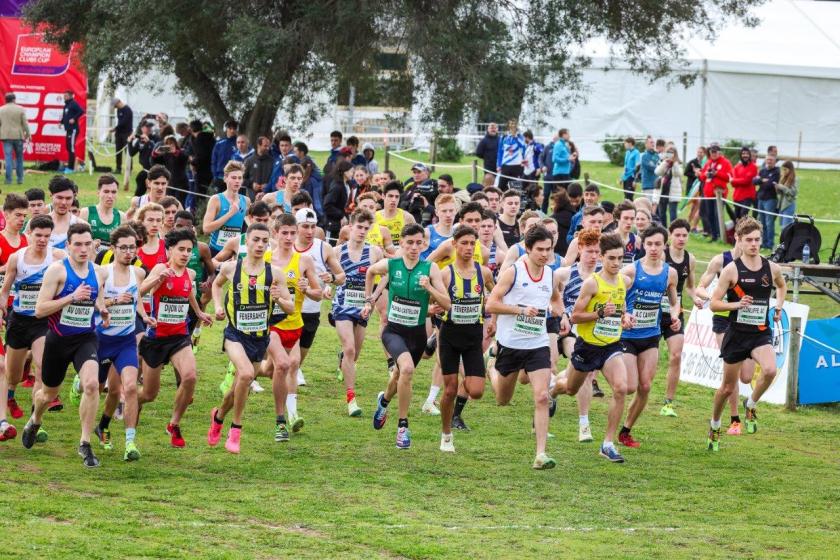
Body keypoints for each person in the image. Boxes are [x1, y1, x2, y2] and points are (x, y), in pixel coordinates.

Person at [22, 223, 108, 467]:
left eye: (87, 244)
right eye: (77, 244)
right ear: (68, 246)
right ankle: (35, 419)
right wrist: (71, 297)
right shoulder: (57, 271)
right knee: (47, 395)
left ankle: (85, 443)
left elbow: (98, 296)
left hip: (85, 338)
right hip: (58, 340)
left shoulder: (100, 272)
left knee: (92, 385)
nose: (83, 249)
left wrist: (102, 308)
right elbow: (39, 310)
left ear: (93, 245)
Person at [207, 223, 293, 454]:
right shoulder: (231, 268)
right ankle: (236, 429)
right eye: (255, 240)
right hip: (235, 335)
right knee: (245, 374)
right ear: (247, 241)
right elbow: (216, 285)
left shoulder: (274, 274)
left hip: (260, 339)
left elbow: (291, 307)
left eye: (264, 241)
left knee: (238, 386)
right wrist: (217, 306)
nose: (260, 245)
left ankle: (219, 416)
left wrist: (280, 299)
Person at [485, 225, 565, 469]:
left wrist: (561, 314)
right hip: (510, 344)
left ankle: (540, 454)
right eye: (539, 249)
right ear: (528, 249)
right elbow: (491, 304)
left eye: (548, 250)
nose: (544, 254)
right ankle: (491, 364)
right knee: (502, 399)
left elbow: (555, 298)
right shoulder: (513, 273)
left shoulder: (550, 274)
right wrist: (520, 310)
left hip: (537, 344)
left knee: (542, 396)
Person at [366, 223, 450, 450]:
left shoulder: (430, 268)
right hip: (393, 332)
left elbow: (447, 304)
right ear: (401, 244)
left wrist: (430, 290)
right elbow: (370, 271)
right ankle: (402, 426)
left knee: (398, 376)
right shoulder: (391, 265)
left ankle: (383, 402)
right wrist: (368, 300)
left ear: (424, 244)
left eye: (418, 243)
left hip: (417, 335)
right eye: (409, 243)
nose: (414, 247)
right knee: (407, 369)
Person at [707, 217, 787, 451]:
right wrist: (736, 305)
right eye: (749, 240)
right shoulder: (731, 270)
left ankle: (750, 403)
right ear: (739, 241)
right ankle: (714, 424)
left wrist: (779, 306)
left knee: (771, 370)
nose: (754, 244)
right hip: (737, 334)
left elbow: (781, 286)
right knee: (726, 388)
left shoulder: (771, 267)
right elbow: (714, 303)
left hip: (760, 333)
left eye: (757, 240)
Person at [553, 232, 632, 463]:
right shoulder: (592, 284)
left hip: (611, 345)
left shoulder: (622, 282)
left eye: (620, 258)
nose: (617, 263)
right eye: (612, 259)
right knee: (569, 388)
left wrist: (625, 316)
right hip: (587, 345)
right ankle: (552, 391)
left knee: (621, 388)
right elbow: (575, 317)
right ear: (602, 258)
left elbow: (621, 307)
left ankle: (608, 444)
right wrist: (598, 314)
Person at [135, 228, 214, 449]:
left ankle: (174, 424)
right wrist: (157, 279)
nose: (186, 254)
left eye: (189, 250)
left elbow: (189, 293)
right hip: (157, 338)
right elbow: (139, 291)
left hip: (179, 335)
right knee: (150, 394)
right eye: (181, 249)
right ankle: (132, 401)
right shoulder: (161, 268)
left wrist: (198, 313)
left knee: (189, 377)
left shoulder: (190, 273)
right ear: (170, 249)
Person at [0, 216, 66, 443]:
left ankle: (33, 421)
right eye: (38, 235)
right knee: (13, 375)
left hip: (43, 321)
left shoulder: (57, 257)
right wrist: (2, 307)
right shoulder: (17, 258)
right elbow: (6, 290)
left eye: (47, 236)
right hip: (19, 321)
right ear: (29, 234)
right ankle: (9, 395)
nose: (42, 240)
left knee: (41, 368)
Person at [615, 225, 680, 448]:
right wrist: (624, 313)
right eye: (650, 244)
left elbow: (673, 299)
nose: (653, 248)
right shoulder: (631, 271)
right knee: (630, 386)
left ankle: (626, 430)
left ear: (665, 245)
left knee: (645, 386)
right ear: (643, 244)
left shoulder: (670, 273)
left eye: (658, 244)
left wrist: (674, 315)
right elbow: (617, 295)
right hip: (628, 335)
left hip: (651, 335)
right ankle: (614, 422)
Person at [262, 213, 322, 441]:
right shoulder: (265, 258)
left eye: (292, 233)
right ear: (275, 234)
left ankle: (245, 372)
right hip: (271, 323)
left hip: (295, 322)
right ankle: (282, 420)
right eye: (284, 233)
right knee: (285, 364)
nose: (288, 237)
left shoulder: (303, 261)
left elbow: (318, 296)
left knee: (276, 367)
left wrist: (307, 289)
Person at [92, 225, 149, 460]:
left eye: (132, 247)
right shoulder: (102, 272)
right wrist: (113, 302)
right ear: (113, 248)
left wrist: (144, 316)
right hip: (101, 340)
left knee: (130, 387)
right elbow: (96, 302)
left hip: (125, 340)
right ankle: (101, 426)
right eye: (123, 247)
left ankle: (130, 442)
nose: (128, 252)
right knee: (102, 389)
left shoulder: (139, 273)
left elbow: (137, 301)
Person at [437, 226, 494, 452]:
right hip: (450, 335)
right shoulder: (446, 273)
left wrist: (494, 320)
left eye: (473, 243)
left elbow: (497, 294)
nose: (469, 248)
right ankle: (446, 434)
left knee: (477, 391)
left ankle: (481, 365)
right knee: (449, 390)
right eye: (464, 243)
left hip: (473, 337)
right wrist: (434, 306)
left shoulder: (484, 273)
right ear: (455, 245)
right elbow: (439, 301)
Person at [331, 209, 384, 416]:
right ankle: (351, 400)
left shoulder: (374, 252)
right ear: (350, 227)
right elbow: (330, 275)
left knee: (354, 355)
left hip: (363, 308)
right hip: (342, 305)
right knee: (351, 350)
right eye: (359, 227)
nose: (362, 231)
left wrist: (374, 296)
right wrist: (328, 286)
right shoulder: (338, 252)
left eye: (366, 228)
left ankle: (343, 358)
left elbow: (386, 273)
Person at [551, 228, 601, 442]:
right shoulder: (564, 273)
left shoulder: (603, 275)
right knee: (587, 372)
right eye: (589, 251)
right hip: (569, 331)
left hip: (594, 332)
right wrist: (562, 314)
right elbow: (551, 296)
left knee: (574, 381)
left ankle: (552, 389)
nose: (593, 256)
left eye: (597, 251)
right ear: (579, 249)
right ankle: (584, 425)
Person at [295, 208, 345, 387]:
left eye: (313, 227)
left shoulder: (324, 248)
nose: (310, 231)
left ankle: (295, 369)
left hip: (311, 308)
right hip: (288, 307)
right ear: (296, 226)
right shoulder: (286, 244)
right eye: (305, 227)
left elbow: (341, 276)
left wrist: (331, 278)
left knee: (301, 351)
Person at [658, 219, 697, 417]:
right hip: (653, 312)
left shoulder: (690, 259)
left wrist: (697, 298)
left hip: (675, 313)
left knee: (676, 355)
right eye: (677, 235)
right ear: (670, 236)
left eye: (684, 235)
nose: (681, 239)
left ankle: (668, 403)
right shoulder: (661, 255)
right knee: (648, 358)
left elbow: (690, 287)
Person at [203, 161, 249, 257]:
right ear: (225, 178)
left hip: (235, 252)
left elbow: (249, 225)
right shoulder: (216, 199)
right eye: (233, 177)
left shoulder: (246, 201)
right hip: (216, 250)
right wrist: (229, 214)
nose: (237, 181)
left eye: (240, 178)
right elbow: (206, 229)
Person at [80, 175, 125, 248]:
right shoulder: (86, 213)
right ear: (98, 193)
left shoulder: (121, 216)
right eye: (106, 191)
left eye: (113, 192)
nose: (110, 196)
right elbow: (77, 241)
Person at [698, 144, 732, 242]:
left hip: (719, 194)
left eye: (715, 152)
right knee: (710, 215)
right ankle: (713, 235)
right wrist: (703, 174)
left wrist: (717, 173)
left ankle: (720, 236)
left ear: (719, 152)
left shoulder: (725, 162)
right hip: (708, 194)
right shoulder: (708, 162)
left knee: (718, 216)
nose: (713, 154)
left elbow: (729, 177)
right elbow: (702, 177)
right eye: (712, 152)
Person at [45, 175, 83, 250]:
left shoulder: (81, 226)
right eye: (59, 198)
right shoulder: (36, 224)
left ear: (74, 197)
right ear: (51, 195)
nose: (64, 202)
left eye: (68, 198)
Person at [0, 92, 31, 185]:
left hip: (6, 136)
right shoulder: (20, 109)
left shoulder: (1, 109)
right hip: (18, 136)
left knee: (8, 158)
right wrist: (28, 134)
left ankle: (8, 180)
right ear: (14, 99)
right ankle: (20, 179)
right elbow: (25, 123)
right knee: (19, 158)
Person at [151, 135, 189, 205]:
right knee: (169, 203)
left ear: (175, 143)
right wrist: (155, 153)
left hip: (181, 184)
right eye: (167, 143)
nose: (169, 145)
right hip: (170, 183)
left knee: (179, 203)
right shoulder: (166, 154)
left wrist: (175, 152)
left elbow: (184, 158)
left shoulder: (181, 152)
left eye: (171, 143)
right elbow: (155, 162)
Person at [376, 181, 416, 245]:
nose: (394, 200)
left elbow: (415, 240)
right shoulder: (374, 217)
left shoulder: (407, 217)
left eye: (397, 197)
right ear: (383, 196)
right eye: (390, 196)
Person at [324, 160, 354, 243]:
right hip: (333, 226)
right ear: (345, 172)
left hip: (342, 225)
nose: (353, 174)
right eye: (351, 171)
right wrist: (341, 215)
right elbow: (327, 205)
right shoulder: (337, 186)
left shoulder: (347, 185)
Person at [420, 194, 457, 260]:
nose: (448, 215)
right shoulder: (426, 233)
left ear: (456, 211)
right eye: (444, 211)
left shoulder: (458, 234)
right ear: (436, 212)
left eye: (451, 211)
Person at [754, 154, 780, 250]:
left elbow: (770, 184)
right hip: (761, 198)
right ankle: (763, 243)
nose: (769, 161)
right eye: (768, 159)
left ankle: (770, 244)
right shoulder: (762, 170)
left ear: (775, 161)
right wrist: (762, 180)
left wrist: (761, 181)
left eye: (771, 160)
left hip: (770, 199)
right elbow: (754, 181)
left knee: (769, 223)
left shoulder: (777, 171)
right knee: (762, 222)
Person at [654, 146, 683, 226]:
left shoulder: (678, 163)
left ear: (675, 154)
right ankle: (663, 229)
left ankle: (673, 230)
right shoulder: (662, 161)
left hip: (673, 191)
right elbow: (657, 172)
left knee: (673, 213)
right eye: (668, 152)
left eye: (672, 153)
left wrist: (674, 164)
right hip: (662, 190)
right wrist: (665, 163)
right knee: (661, 212)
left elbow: (678, 174)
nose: (670, 155)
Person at [496, 120, 526, 192]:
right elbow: (500, 152)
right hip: (505, 166)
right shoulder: (504, 137)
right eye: (511, 124)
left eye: (514, 124)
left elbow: (523, 146)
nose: (513, 125)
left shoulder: (520, 137)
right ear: (508, 125)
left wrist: (515, 137)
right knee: (500, 188)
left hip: (516, 166)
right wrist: (499, 165)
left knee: (515, 189)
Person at [731, 147, 758, 220]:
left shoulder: (753, 167)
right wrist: (736, 181)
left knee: (743, 215)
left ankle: (744, 231)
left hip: (747, 197)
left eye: (747, 153)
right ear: (740, 155)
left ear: (749, 155)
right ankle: (737, 231)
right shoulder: (737, 167)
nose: (745, 155)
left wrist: (734, 180)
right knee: (736, 217)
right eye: (743, 153)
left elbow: (747, 181)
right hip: (737, 196)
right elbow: (733, 184)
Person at [210, 120, 238, 192]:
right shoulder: (219, 143)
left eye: (234, 129)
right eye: (230, 128)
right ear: (226, 129)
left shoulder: (239, 143)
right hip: (220, 177)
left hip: (234, 177)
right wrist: (215, 176)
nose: (232, 131)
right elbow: (214, 161)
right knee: (219, 200)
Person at [243, 136, 275, 200]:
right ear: (258, 145)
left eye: (268, 146)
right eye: (265, 146)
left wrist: (268, 185)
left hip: (267, 195)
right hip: (251, 196)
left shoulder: (272, 161)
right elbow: (242, 178)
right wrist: (252, 185)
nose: (268, 148)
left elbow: (274, 178)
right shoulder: (249, 160)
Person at [60, 90, 84, 172]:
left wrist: (74, 118)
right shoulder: (66, 105)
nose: (64, 97)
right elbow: (65, 115)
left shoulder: (73, 103)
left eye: (66, 95)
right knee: (68, 146)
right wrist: (61, 122)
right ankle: (69, 167)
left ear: (70, 96)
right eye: (64, 95)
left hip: (73, 129)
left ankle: (70, 168)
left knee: (71, 148)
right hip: (68, 129)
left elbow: (81, 111)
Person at [684, 146, 706, 231]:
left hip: (701, 188)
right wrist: (696, 175)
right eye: (698, 152)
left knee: (698, 207)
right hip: (692, 188)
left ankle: (693, 225)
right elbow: (686, 172)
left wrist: (700, 175)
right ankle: (689, 223)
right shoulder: (692, 162)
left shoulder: (705, 163)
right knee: (695, 206)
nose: (700, 154)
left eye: (701, 152)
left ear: (704, 153)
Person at [550, 189, 576, 256]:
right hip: (571, 254)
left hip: (556, 254)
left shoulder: (552, 220)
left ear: (558, 204)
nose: (551, 207)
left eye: (553, 204)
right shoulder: (575, 217)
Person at [111, 99, 133, 172]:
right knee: (118, 151)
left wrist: (115, 128)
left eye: (116, 105)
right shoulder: (118, 110)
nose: (115, 107)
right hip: (119, 133)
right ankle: (118, 168)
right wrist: (116, 130)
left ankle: (129, 168)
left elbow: (124, 122)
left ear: (118, 102)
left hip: (127, 133)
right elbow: (119, 122)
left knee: (127, 151)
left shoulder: (128, 110)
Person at [550, 128, 573, 198]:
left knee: (567, 196)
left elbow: (565, 157)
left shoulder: (564, 145)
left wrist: (571, 158)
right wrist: (567, 159)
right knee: (559, 197)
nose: (569, 136)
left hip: (565, 174)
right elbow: (554, 159)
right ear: (564, 135)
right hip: (559, 175)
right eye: (568, 134)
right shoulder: (558, 144)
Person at [776, 161, 798, 229]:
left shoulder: (795, 179)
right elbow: (780, 193)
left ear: (790, 169)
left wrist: (782, 187)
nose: (784, 171)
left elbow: (793, 193)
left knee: (786, 227)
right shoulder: (783, 177)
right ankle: (784, 239)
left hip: (789, 204)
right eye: (783, 169)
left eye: (785, 169)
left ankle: (787, 239)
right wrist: (777, 187)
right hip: (781, 205)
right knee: (781, 226)